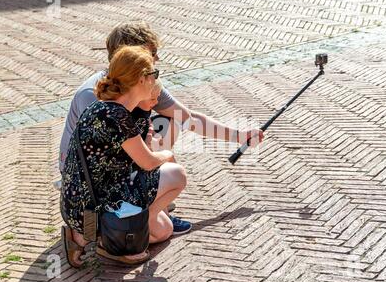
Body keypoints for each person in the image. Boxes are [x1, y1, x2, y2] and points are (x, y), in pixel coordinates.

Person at [59, 22, 264, 232]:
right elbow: (99, 158)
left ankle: (148, 210)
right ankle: (108, 228)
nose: (158, 59)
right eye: (153, 53)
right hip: (90, 178)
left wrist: (240, 136)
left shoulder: (146, 87)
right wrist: (160, 156)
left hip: (119, 160)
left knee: (169, 123)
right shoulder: (93, 96)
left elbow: (188, 119)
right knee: (164, 208)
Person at [60, 46, 186, 268]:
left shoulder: (102, 107)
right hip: (98, 204)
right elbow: (147, 162)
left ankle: (98, 235)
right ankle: (109, 239)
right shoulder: (118, 116)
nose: (156, 78)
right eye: (153, 74)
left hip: (78, 200)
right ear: (141, 80)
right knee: (177, 174)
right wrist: (166, 153)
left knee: (164, 231)